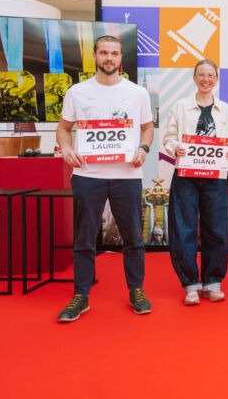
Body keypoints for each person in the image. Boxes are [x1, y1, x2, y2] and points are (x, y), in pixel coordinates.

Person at [55, 34, 154, 322]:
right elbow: (63, 129)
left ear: (121, 58)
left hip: (127, 175)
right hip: (87, 175)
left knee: (133, 237)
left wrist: (143, 147)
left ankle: (136, 289)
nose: (109, 58)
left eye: (114, 53)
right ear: (95, 56)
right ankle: (80, 295)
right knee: (85, 238)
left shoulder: (137, 93)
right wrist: (67, 148)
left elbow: (147, 128)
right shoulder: (77, 91)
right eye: (104, 53)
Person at [162, 59, 228, 305]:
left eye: (210, 75)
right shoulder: (181, 106)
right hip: (186, 176)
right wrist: (176, 147)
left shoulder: (225, 109)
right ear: (194, 78)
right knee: (184, 228)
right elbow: (169, 137)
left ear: (216, 79)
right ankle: (190, 284)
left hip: (215, 177)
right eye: (201, 75)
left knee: (216, 227)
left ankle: (213, 283)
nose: (206, 79)